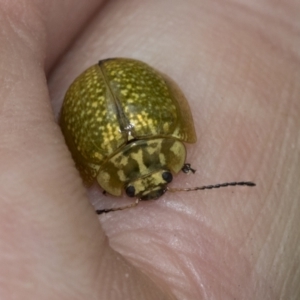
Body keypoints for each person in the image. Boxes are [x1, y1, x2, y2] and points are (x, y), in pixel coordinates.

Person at [0, 1, 299, 299]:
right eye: (164, 177)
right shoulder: (127, 152)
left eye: (133, 189)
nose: (151, 190)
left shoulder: (103, 164)